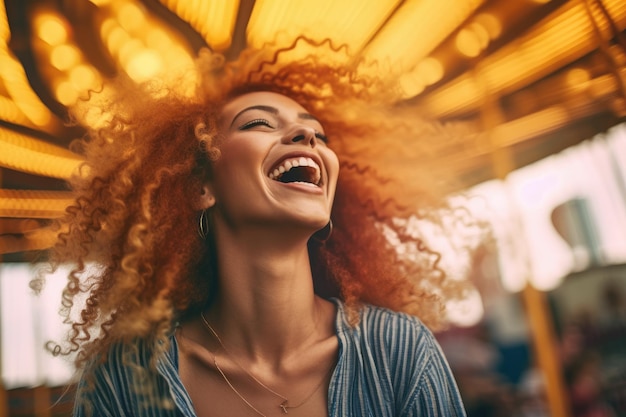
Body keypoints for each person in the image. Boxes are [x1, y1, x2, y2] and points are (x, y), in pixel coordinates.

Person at [40, 38, 477, 416]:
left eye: (317, 135)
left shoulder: (399, 352)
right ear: (200, 186)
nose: (307, 139)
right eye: (259, 124)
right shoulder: (124, 379)